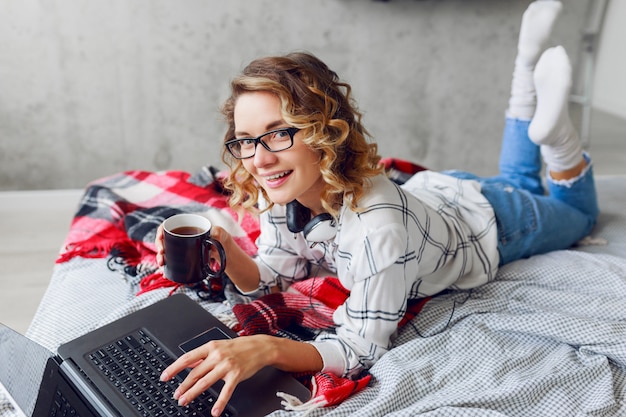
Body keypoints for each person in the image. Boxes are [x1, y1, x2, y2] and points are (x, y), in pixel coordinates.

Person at [156, 1, 598, 415]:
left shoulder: (376, 231)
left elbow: (358, 351)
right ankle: (525, 67)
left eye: (278, 133)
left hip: (496, 222)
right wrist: (224, 247)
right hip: (438, 196)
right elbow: (275, 276)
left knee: (579, 214)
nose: (259, 159)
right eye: (246, 141)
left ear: (324, 132)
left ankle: (556, 138)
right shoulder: (285, 190)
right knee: (518, 180)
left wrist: (268, 348)